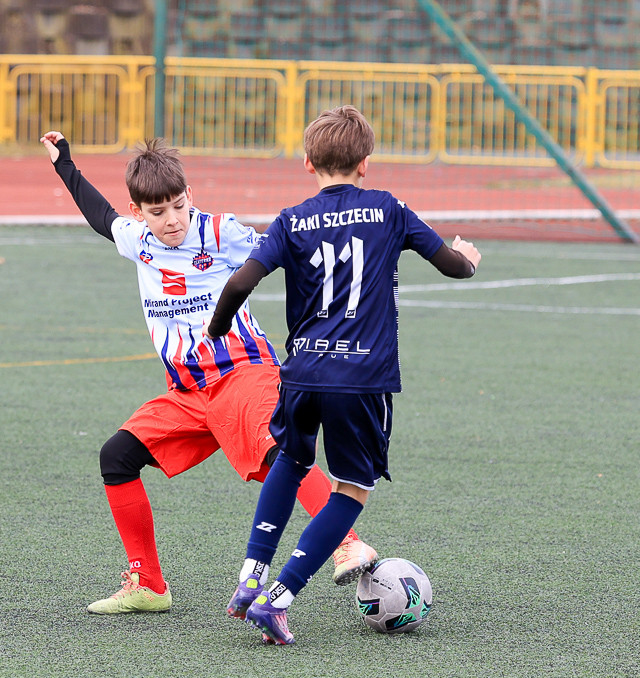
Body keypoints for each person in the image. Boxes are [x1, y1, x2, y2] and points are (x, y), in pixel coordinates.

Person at [40, 130, 378, 615]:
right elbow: (100, 217)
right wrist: (64, 164)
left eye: (178, 205)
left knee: (280, 451)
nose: (172, 219)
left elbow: (287, 255)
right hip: (188, 392)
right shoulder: (136, 239)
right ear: (139, 212)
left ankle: (348, 543)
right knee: (116, 457)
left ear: (188, 196)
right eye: (157, 212)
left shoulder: (220, 231)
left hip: (243, 372)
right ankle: (149, 584)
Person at [204, 105, 482, 644]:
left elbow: (238, 286)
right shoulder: (388, 209)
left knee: (290, 458)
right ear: (366, 164)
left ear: (308, 163)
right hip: (361, 377)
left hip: (302, 372)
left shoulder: (291, 220)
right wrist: (468, 257)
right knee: (351, 489)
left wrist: (217, 332)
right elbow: (451, 264)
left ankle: (249, 578)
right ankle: (277, 597)